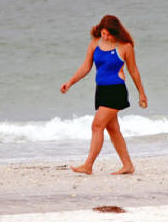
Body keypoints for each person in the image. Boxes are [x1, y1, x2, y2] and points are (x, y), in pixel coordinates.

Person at [60, 15, 148, 175]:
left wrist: (141, 93)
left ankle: (88, 165)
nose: (106, 37)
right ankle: (128, 165)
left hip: (116, 91)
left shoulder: (125, 46)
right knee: (113, 130)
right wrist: (70, 82)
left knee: (97, 125)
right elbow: (86, 67)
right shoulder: (94, 43)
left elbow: (133, 71)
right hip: (101, 91)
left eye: (109, 34)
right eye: (103, 33)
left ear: (116, 33)